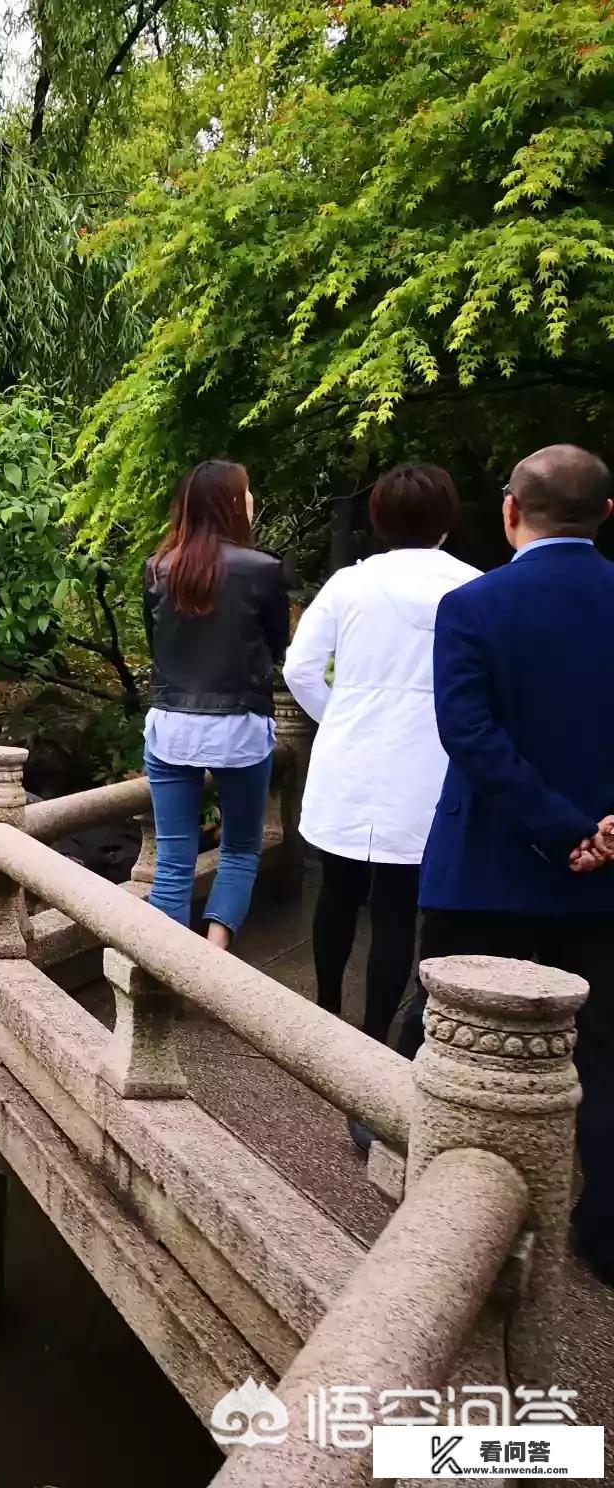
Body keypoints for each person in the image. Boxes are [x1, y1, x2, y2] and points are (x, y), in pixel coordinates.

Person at [400, 444, 614, 1278]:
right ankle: (599, 1238)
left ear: (509, 511)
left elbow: (472, 736)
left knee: (443, 1025)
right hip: (607, 877)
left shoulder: (475, 605)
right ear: (605, 516)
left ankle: (421, 1181)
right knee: (602, 1051)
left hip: (491, 863)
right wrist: (601, 831)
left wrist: (561, 829)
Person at [282, 465, 480, 1044]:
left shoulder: (349, 584)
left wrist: (338, 713)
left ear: (377, 520)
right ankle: (374, 1038)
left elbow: (299, 667)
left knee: (336, 894)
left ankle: (323, 1012)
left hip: (351, 759)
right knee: (397, 911)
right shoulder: (472, 585)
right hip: (429, 767)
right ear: (447, 519)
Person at [141, 460, 289, 950]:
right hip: (239, 727)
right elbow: (277, 647)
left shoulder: (159, 568)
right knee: (242, 848)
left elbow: (156, 644)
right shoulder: (263, 570)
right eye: (246, 493)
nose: (251, 500)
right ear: (230, 503)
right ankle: (213, 956)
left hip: (171, 725)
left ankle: (162, 970)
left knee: (174, 859)